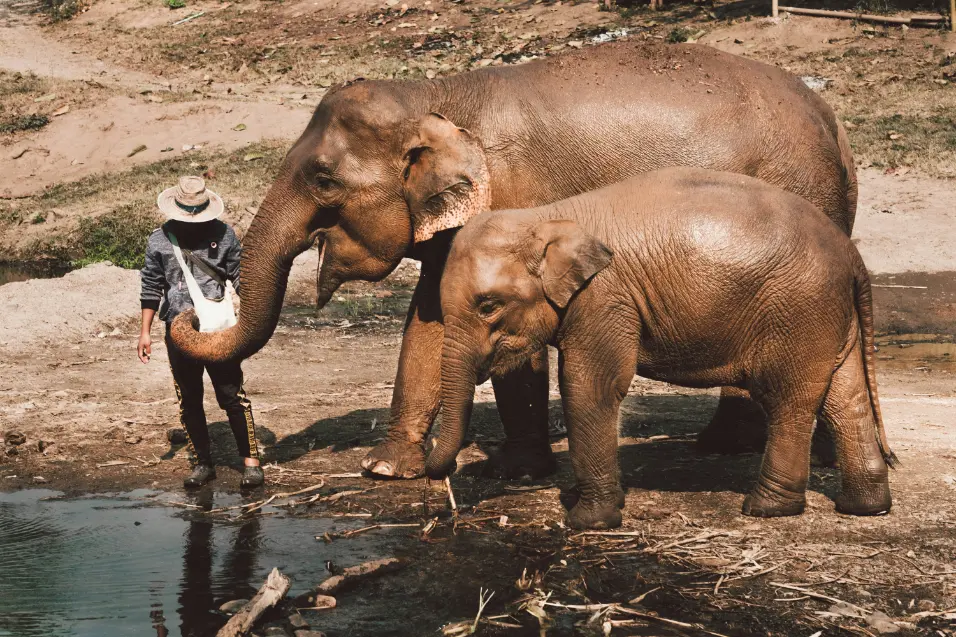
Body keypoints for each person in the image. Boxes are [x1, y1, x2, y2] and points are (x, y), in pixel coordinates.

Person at [138, 176, 264, 489]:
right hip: (178, 330)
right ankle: (203, 464)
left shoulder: (224, 235)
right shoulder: (159, 240)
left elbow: (239, 277)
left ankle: (251, 463)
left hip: (217, 330)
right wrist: (145, 332)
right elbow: (151, 287)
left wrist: (252, 319)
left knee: (231, 394)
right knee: (189, 398)